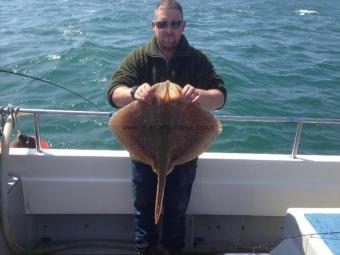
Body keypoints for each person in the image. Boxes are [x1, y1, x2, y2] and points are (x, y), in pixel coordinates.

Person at [107, 0, 227, 254]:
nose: (169, 29)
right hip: (144, 152)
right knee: (143, 208)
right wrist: (133, 92)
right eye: (162, 24)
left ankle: (173, 249)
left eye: (174, 24)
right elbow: (114, 93)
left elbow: (220, 97)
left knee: (176, 211)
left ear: (183, 26)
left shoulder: (196, 59)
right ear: (154, 26)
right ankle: (146, 249)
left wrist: (200, 95)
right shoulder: (139, 57)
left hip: (183, 155)